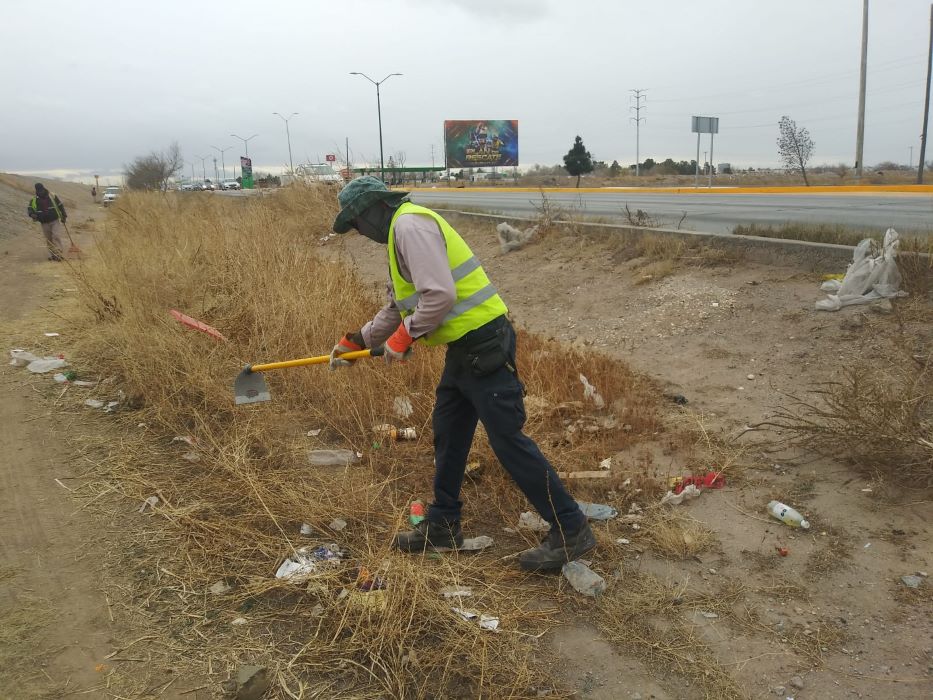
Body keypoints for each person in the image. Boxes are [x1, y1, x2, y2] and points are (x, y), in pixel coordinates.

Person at [329, 176, 595, 571]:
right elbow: (399, 306)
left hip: (485, 344)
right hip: (463, 350)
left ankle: (571, 528)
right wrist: (356, 342)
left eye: (356, 222)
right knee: (449, 433)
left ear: (374, 209)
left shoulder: (409, 225)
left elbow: (440, 295)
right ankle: (443, 524)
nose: (358, 231)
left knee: (507, 440)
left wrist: (403, 339)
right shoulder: (400, 232)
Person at [27, 183, 68, 261]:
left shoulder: (52, 196)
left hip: (54, 220)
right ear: (36, 190)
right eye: (38, 190)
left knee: (56, 236)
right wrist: (32, 214)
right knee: (49, 239)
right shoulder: (34, 199)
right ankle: (52, 255)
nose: (40, 191)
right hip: (44, 222)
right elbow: (30, 208)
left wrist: (64, 216)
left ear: (44, 188)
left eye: (41, 190)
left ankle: (59, 254)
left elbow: (60, 205)